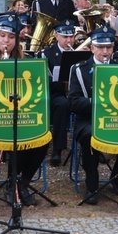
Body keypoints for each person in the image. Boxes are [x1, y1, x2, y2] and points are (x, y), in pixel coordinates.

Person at [0, 14, 48, 205]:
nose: (6, 41)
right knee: (16, 138)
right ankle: (14, 185)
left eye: (10, 37)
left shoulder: (26, 61)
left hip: (20, 114)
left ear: (16, 40)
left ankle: (20, 183)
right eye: (2, 36)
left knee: (41, 138)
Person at [68, 26, 118, 204]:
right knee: (89, 136)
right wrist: (97, 103)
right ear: (92, 48)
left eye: (109, 47)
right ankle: (92, 184)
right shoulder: (79, 69)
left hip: (117, 119)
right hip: (88, 120)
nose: (105, 51)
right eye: (101, 47)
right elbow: (73, 102)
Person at [37, 19, 77, 167]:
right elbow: (41, 80)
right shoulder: (46, 54)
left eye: (72, 37)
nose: (69, 40)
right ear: (56, 36)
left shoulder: (79, 51)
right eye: (65, 37)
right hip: (56, 94)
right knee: (62, 105)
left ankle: (93, 149)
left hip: (76, 94)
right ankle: (57, 150)